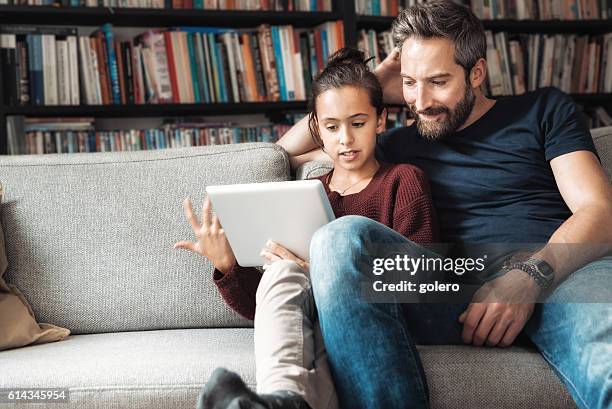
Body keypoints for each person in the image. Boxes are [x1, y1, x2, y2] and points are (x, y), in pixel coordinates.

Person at [276, 1, 612, 409]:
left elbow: (600, 210)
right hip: (453, 280)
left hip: (555, 270)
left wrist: (527, 277)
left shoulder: (542, 110)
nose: (421, 101)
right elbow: (281, 156)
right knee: (337, 239)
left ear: (477, 72)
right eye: (410, 83)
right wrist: (372, 85)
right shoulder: (394, 144)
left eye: (437, 81)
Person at [174, 47, 439, 409]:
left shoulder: (403, 181)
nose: (345, 138)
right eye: (332, 127)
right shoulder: (304, 196)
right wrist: (228, 266)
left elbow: (423, 283)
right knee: (281, 270)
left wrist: (330, 276)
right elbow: (266, 311)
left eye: (358, 123)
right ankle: (282, 399)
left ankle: (284, 403)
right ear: (317, 130)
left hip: (368, 318)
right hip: (307, 321)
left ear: (380, 121)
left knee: (310, 276)